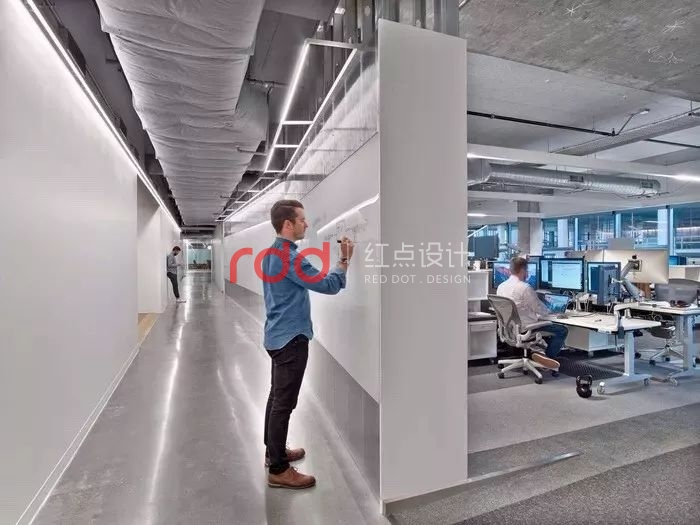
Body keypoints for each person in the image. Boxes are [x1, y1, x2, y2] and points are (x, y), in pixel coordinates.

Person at [262, 199, 353, 490]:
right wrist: (344, 261)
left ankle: (273, 452)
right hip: (291, 339)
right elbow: (328, 285)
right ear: (288, 224)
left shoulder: (270, 253)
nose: (307, 224)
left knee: (276, 397)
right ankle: (278, 469)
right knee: (284, 403)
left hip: (276, 336)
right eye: (302, 220)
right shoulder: (290, 258)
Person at [496, 256, 568, 369]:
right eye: (527, 270)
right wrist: (554, 311)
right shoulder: (525, 288)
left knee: (546, 324)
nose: (527, 273)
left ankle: (539, 354)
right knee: (562, 330)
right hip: (526, 328)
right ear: (523, 270)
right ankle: (547, 359)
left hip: (509, 330)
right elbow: (540, 310)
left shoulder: (501, 287)